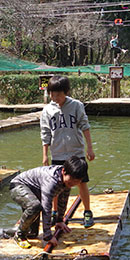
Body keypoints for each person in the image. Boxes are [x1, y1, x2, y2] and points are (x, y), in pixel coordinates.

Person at [40, 75, 95, 228]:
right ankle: (55, 213)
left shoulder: (76, 105)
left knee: (82, 182)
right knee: (56, 184)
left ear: (66, 92)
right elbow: (45, 133)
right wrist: (45, 155)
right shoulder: (47, 110)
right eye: (52, 94)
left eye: (58, 94)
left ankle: (87, 212)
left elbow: (85, 126)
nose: (54, 97)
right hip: (57, 152)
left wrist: (89, 148)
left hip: (76, 152)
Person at [7, 156, 88, 249]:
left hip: (34, 192)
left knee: (32, 233)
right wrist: (48, 236)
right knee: (35, 206)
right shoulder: (51, 181)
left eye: (77, 181)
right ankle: (19, 235)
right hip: (18, 186)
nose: (73, 183)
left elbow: (63, 200)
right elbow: (46, 208)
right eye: (72, 180)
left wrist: (60, 220)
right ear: (64, 172)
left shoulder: (67, 181)